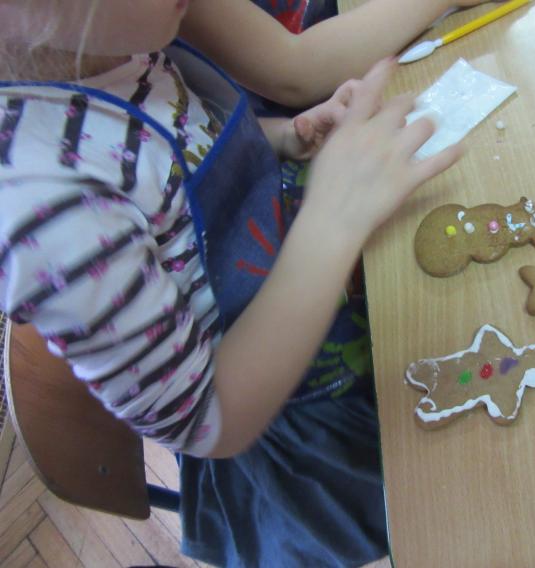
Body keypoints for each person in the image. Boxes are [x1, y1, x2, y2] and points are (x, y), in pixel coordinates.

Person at [0, 0, 478, 565]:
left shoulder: (108, 37)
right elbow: (210, 420)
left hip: (331, 283)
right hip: (300, 433)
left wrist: (287, 136)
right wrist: (334, 218)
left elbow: (181, 144)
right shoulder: (43, 210)